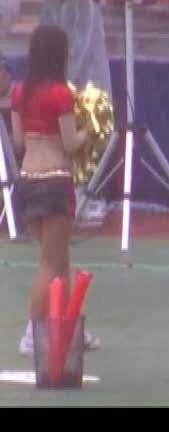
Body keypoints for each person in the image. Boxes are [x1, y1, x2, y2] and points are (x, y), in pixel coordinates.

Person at [12, 25, 100, 356]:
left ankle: (69, 327)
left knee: (59, 259)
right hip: (54, 181)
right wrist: (92, 130)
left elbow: (19, 140)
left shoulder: (20, 92)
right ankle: (33, 334)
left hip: (27, 181)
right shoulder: (61, 94)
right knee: (50, 264)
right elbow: (70, 142)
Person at [41, 0, 111, 227]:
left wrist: (62, 85)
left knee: (84, 138)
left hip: (88, 88)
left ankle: (88, 193)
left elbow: (79, 52)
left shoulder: (86, 8)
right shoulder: (48, 7)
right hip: (58, 86)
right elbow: (43, 46)